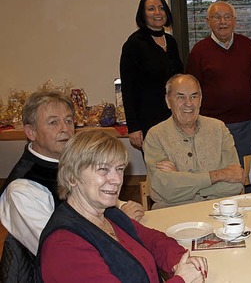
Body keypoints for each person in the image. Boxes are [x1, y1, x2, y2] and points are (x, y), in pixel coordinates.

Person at [37, 130, 207, 282]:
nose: (117, 180)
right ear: (72, 177)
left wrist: (179, 260)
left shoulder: (108, 214)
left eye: (119, 169)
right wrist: (182, 280)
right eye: (103, 169)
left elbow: (154, 240)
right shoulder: (63, 246)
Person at [0, 91, 144, 257]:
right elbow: (57, 248)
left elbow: (99, 200)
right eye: (53, 122)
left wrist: (123, 205)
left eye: (68, 121)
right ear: (30, 132)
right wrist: (120, 222)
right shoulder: (21, 189)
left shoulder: (72, 163)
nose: (65, 129)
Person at [143, 74, 244, 208]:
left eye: (194, 96)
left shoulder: (218, 128)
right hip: (173, 212)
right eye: (180, 97)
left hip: (219, 209)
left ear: (201, 100)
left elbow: (235, 183)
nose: (189, 103)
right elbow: (166, 190)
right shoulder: (155, 136)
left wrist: (180, 179)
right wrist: (219, 176)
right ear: (168, 101)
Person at [186, 1, 251, 167]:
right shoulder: (199, 51)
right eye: (217, 17)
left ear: (234, 20)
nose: (223, 22)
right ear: (208, 21)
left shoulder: (247, 46)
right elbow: (192, 91)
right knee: (216, 169)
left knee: (245, 170)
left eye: (227, 17)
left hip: (245, 124)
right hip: (212, 125)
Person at [120, 0, 184, 149]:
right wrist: (133, 127)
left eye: (161, 7)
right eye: (151, 8)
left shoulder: (171, 42)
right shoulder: (134, 44)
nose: (157, 12)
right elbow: (127, 89)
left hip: (174, 118)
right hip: (148, 121)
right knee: (158, 168)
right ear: (143, 14)